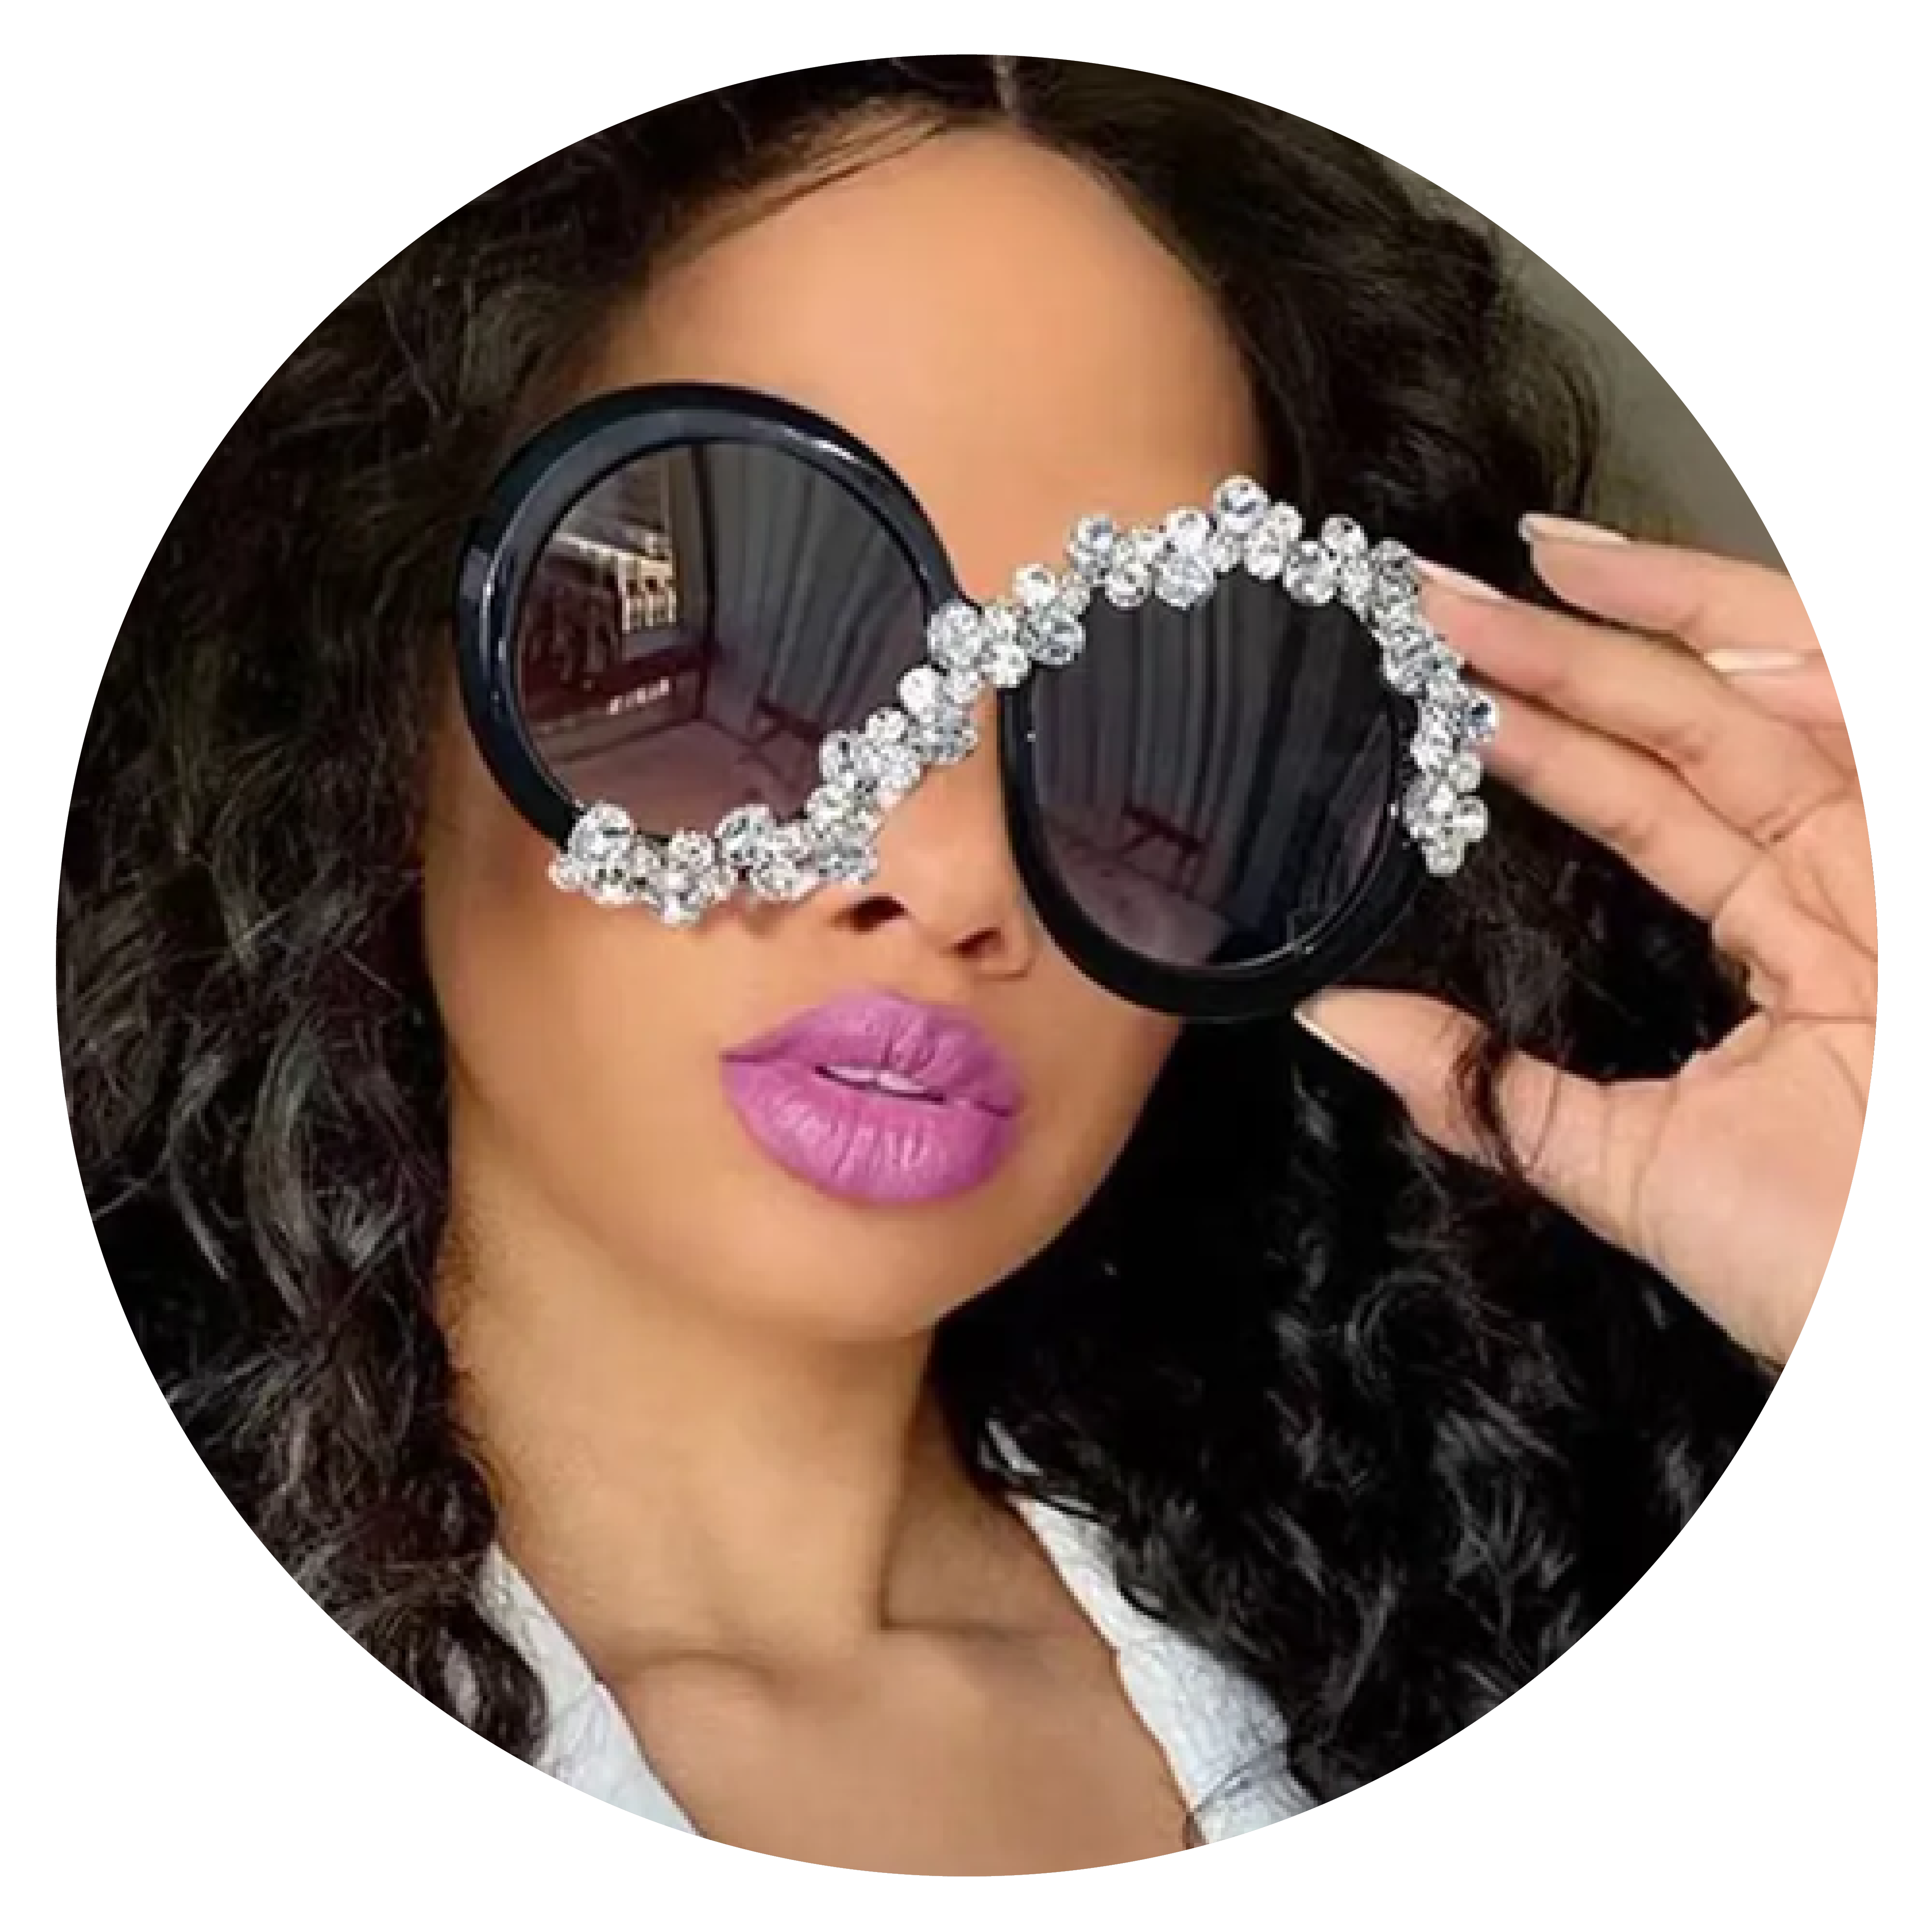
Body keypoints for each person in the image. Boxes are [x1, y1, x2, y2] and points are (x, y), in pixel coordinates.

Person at [55, 56, 1874, 1876]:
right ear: (388, 690)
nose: (951, 876)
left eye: (1155, 717)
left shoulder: (1446, 1645)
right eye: (737, 648)